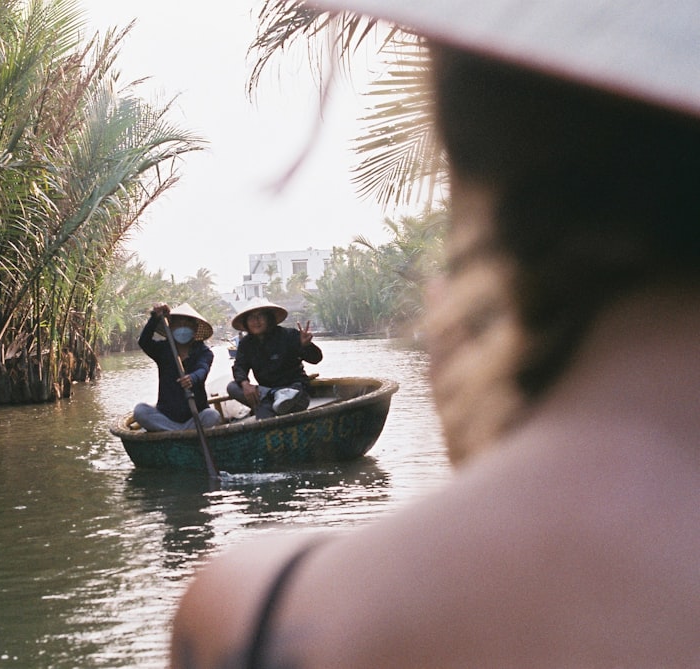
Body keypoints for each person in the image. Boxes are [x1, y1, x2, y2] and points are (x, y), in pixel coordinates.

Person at [169, 1, 700, 667]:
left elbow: (308, 360)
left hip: (293, 407)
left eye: (256, 320)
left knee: (279, 401)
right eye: (248, 321)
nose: (251, 326)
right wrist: (241, 384)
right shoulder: (241, 346)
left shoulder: (255, 615)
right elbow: (240, 379)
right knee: (259, 400)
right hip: (270, 404)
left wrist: (492, 446)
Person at [226, 299, 322, 420]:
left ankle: (272, 402)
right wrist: (245, 383)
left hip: (294, 390)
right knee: (233, 387)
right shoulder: (246, 344)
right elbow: (239, 366)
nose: (256, 321)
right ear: (246, 322)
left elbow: (316, 358)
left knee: (282, 402)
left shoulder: (288, 335)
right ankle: (272, 397)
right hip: (267, 393)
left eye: (260, 316)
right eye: (251, 318)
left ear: (269, 318)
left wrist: (306, 346)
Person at [133, 302, 221, 432]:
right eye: (179, 323)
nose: (183, 327)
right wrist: (155, 317)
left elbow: (203, 369)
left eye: (187, 324)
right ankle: (177, 431)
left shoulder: (204, 352)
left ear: (195, 329)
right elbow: (144, 341)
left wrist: (192, 378)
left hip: (195, 416)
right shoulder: (163, 350)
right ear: (171, 327)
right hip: (166, 416)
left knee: (212, 416)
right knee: (140, 410)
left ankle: (172, 432)